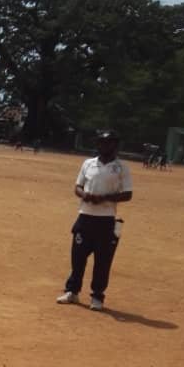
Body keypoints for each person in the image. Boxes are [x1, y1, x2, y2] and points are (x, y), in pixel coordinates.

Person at [56, 130, 133, 311]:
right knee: (77, 258)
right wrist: (85, 195)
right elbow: (78, 186)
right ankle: (72, 291)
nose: (103, 146)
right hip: (85, 216)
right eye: (101, 142)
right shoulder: (88, 163)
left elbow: (128, 194)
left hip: (106, 220)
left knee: (102, 261)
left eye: (108, 143)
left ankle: (97, 296)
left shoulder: (121, 167)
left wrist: (105, 198)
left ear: (115, 145)